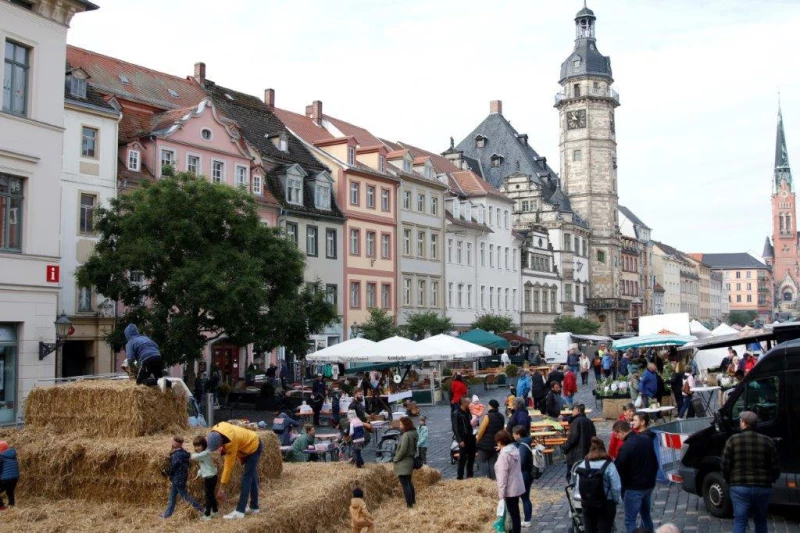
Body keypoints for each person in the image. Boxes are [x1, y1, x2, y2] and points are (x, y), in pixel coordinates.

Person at [721, 411, 780, 533]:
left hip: (739, 487)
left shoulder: (733, 440)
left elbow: (725, 465)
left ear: (744, 423)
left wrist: (728, 480)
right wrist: (771, 480)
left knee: (740, 520)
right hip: (762, 487)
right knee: (761, 520)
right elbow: (775, 466)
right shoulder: (767, 441)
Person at [206, 421, 263, 520]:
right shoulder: (216, 429)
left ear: (221, 443)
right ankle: (254, 507)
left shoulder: (231, 442)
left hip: (253, 446)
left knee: (246, 478)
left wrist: (221, 487)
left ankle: (240, 511)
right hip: (248, 441)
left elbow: (228, 466)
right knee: (252, 477)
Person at [613, 415, 658, 533]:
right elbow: (655, 462)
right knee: (646, 516)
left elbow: (618, 468)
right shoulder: (646, 440)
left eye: (616, 435)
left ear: (621, 432)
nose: (616, 437)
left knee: (630, 521)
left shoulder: (626, 447)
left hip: (634, 488)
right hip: (648, 485)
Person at [571, 437, 622, 533]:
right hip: (606, 503)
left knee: (590, 529)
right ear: (604, 449)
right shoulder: (609, 465)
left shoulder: (582, 465)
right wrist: (616, 500)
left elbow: (578, 487)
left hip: (587, 504)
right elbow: (616, 487)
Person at [160, 435, 203, 518]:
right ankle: (168, 514)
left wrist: (166, 473)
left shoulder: (176, 456)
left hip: (177, 479)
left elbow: (173, 467)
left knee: (185, 496)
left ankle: (200, 509)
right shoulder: (183, 452)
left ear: (174, 444)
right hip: (181, 477)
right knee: (172, 496)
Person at [494, 430, 525, 533]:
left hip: (509, 488)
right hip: (517, 486)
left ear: (499, 441)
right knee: (516, 512)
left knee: (512, 513)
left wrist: (501, 494)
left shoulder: (504, 456)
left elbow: (503, 476)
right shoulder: (514, 450)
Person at [563, 403, 597, 482]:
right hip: (587, 454)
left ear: (578, 410)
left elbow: (572, 439)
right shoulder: (589, 421)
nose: (572, 412)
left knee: (572, 478)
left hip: (575, 455)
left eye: (573, 410)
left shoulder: (576, 421)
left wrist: (564, 448)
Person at [191, 435, 219, 521]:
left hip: (210, 477)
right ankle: (215, 511)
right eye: (195, 446)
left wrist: (191, 453)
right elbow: (203, 465)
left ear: (204, 445)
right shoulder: (204, 453)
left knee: (208, 496)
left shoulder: (205, 453)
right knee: (211, 495)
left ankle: (207, 515)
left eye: (199, 446)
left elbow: (193, 457)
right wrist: (199, 473)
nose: (197, 448)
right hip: (212, 476)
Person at [393, 416, 419, 508]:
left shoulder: (406, 435)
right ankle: (413, 501)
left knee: (405, 484)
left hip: (403, 462)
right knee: (408, 482)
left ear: (405, 425)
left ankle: (409, 504)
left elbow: (403, 450)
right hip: (410, 460)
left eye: (401, 424)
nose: (400, 426)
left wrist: (396, 458)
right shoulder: (413, 433)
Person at [476, 399, 505, 480]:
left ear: (490, 406)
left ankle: (486, 479)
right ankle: (493, 481)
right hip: (495, 444)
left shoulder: (487, 416)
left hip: (485, 445)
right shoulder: (501, 416)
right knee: (492, 463)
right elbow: (502, 430)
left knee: (481, 461)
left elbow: (481, 430)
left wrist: (478, 439)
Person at [512, 426, 534, 528]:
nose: (513, 435)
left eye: (514, 434)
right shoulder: (525, 442)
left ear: (518, 434)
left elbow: (521, 462)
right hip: (527, 474)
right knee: (526, 498)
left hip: (524, 475)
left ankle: (527, 520)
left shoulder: (523, 446)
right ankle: (527, 519)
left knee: (525, 498)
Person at [454, 396, 476, 480]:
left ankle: (470, 476)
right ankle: (460, 477)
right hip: (463, 438)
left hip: (471, 437)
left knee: (471, 457)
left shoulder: (468, 412)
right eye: (468, 402)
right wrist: (459, 440)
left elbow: (470, 423)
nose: (470, 404)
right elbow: (455, 428)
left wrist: (475, 423)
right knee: (462, 459)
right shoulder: (457, 413)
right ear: (463, 403)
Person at [0, 440, 19, 509]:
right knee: (10, 491)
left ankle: (1, 506)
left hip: (6, 478)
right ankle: (11, 505)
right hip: (15, 477)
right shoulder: (12, 455)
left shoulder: (1, 456)